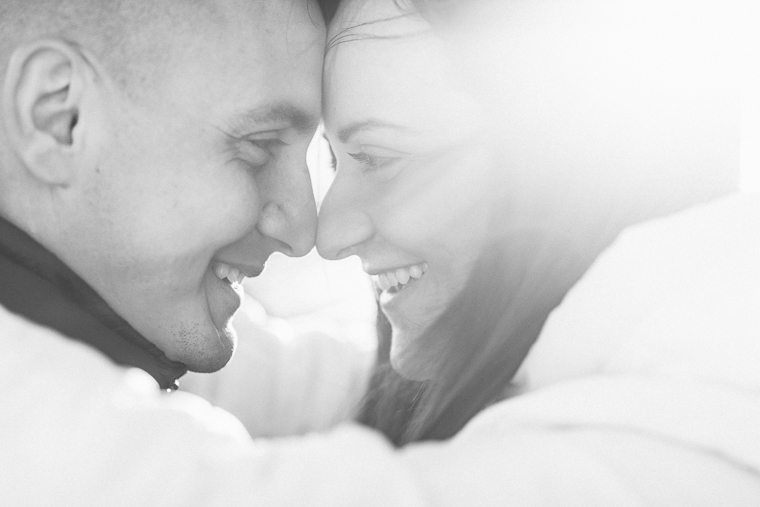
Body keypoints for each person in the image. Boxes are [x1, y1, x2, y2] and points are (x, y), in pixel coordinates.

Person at [315, 0, 760, 501]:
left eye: (376, 157)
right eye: (333, 159)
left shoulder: (654, 457)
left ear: (563, 166)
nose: (327, 235)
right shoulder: (566, 366)